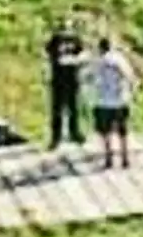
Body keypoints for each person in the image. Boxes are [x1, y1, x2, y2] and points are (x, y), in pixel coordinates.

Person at [83, 35, 136, 171]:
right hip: (120, 100)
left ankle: (109, 157)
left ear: (100, 48)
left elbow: (87, 77)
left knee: (105, 131)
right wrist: (131, 91)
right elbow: (129, 76)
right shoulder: (119, 59)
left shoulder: (96, 61)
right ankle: (125, 158)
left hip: (102, 101)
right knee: (122, 130)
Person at [44, 18, 89, 151]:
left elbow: (83, 54)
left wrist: (78, 60)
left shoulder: (76, 40)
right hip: (58, 78)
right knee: (57, 109)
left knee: (73, 108)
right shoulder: (55, 40)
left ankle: (74, 133)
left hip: (72, 77)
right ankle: (55, 137)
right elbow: (48, 54)